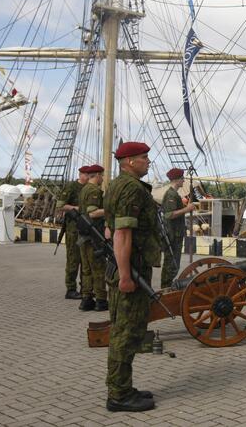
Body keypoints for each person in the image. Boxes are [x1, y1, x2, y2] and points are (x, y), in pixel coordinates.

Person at [103, 142, 160, 412]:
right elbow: (122, 234)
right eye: (143, 158)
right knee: (125, 333)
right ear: (129, 162)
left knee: (126, 330)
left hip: (131, 266)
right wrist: (125, 275)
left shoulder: (117, 185)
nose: (148, 161)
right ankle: (119, 395)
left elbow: (109, 227)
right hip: (130, 271)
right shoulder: (130, 188)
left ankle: (123, 386)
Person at [77, 164, 108, 312]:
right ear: (97, 175)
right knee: (98, 268)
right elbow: (93, 213)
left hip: (83, 234)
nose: (103, 178)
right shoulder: (94, 191)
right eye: (102, 175)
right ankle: (101, 300)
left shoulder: (83, 190)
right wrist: (110, 210)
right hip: (94, 234)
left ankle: (86, 298)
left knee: (87, 269)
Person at [57, 165, 89, 299]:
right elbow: (61, 205)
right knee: (73, 259)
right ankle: (70, 289)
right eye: (88, 175)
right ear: (81, 174)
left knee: (85, 260)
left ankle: (85, 288)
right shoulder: (71, 187)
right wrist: (77, 208)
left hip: (85, 229)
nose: (89, 178)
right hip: (73, 230)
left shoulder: (89, 188)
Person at [160, 168, 195, 288]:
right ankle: (165, 288)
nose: (184, 180)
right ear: (176, 180)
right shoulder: (171, 194)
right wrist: (187, 209)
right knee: (171, 264)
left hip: (176, 233)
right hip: (172, 234)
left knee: (173, 264)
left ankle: (166, 287)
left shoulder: (174, 194)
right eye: (182, 178)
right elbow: (169, 214)